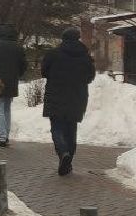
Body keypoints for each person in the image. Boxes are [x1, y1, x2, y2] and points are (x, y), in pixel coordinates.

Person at [41, 26, 96, 176]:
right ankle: (68, 160)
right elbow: (90, 76)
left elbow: (44, 71)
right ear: (78, 38)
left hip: (55, 94)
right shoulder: (85, 56)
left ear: (63, 38)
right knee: (71, 129)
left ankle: (63, 153)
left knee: (56, 127)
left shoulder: (53, 54)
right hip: (77, 97)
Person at [0, 24, 28, 148]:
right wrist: (16, 75)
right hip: (12, 80)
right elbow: (23, 65)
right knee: (7, 108)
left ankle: (2, 136)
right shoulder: (18, 47)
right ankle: (6, 135)